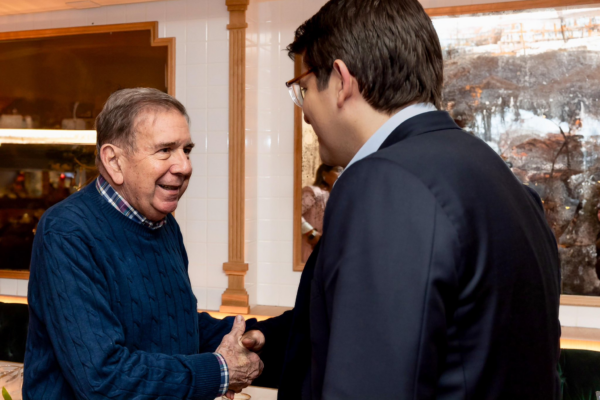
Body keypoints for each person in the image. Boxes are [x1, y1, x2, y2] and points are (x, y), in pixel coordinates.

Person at [242, 0, 562, 399]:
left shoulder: (383, 181)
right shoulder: (497, 176)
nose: (305, 112)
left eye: (304, 88)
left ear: (342, 81)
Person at [23, 88, 262, 400]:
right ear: (114, 162)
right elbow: (103, 379)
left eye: (186, 150)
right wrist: (220, 371)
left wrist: (239, 337)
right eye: (165, 150)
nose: (185, 166)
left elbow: (171, 325)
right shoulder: (67, 232)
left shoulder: (164, 224)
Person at [301, 164, 343, 262]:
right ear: (324, 174)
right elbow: (295, 215)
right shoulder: (311, 191)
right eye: (337, 170)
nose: (340, 175)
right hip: (309, 246)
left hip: (325, 249)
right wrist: (311, 232)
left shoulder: (336, 194)